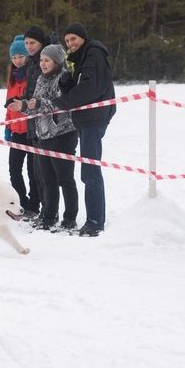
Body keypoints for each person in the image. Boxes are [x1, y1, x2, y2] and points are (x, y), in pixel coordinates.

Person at [55, 22, 116, 237]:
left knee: (90, 171)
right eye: (67, 41)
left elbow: (91, 87)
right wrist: (65, 82)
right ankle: (94, 218)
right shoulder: (78, 58)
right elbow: (78, 85)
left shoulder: (94, 55)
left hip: (94, 118)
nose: (71, 44)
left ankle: (95, 221)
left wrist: (65, 102)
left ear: (83, 37)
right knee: (87, 170)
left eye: (74, 39)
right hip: (85, 118)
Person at [10, 44, 79, 231]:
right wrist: (23, 106)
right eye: (41, 60)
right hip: (44, 135)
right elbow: (36, 105)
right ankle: (49, 215)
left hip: (63, 134)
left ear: (57, 61)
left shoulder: (64, 78)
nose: (43, 64)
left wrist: (36, 104)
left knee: (65, 178)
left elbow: (59, 103)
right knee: (47, 179)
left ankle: (70, 217)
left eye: (47, 60)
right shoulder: (41, 79)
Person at [3, 35, 39, 216]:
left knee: (33, 172)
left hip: (30, 131)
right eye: (14, 57)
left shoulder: (31, 75)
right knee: (14, 169)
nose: (17, 60)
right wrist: (8, 127)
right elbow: (9, 106)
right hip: (16, 131)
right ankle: (21, 202)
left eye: (20, 56)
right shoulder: (12, 78)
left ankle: (34, 205)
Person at [21, 25, 52, 223]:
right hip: (33, 122)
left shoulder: (46, 60)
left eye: (32, 43)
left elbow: (43, 94)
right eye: (26, 43)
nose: (29, 46)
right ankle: (38, 208)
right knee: (34, 169)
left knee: (44, 172)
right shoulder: (32, 62)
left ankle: (48, 211)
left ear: (41, 42)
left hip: (46, 124)